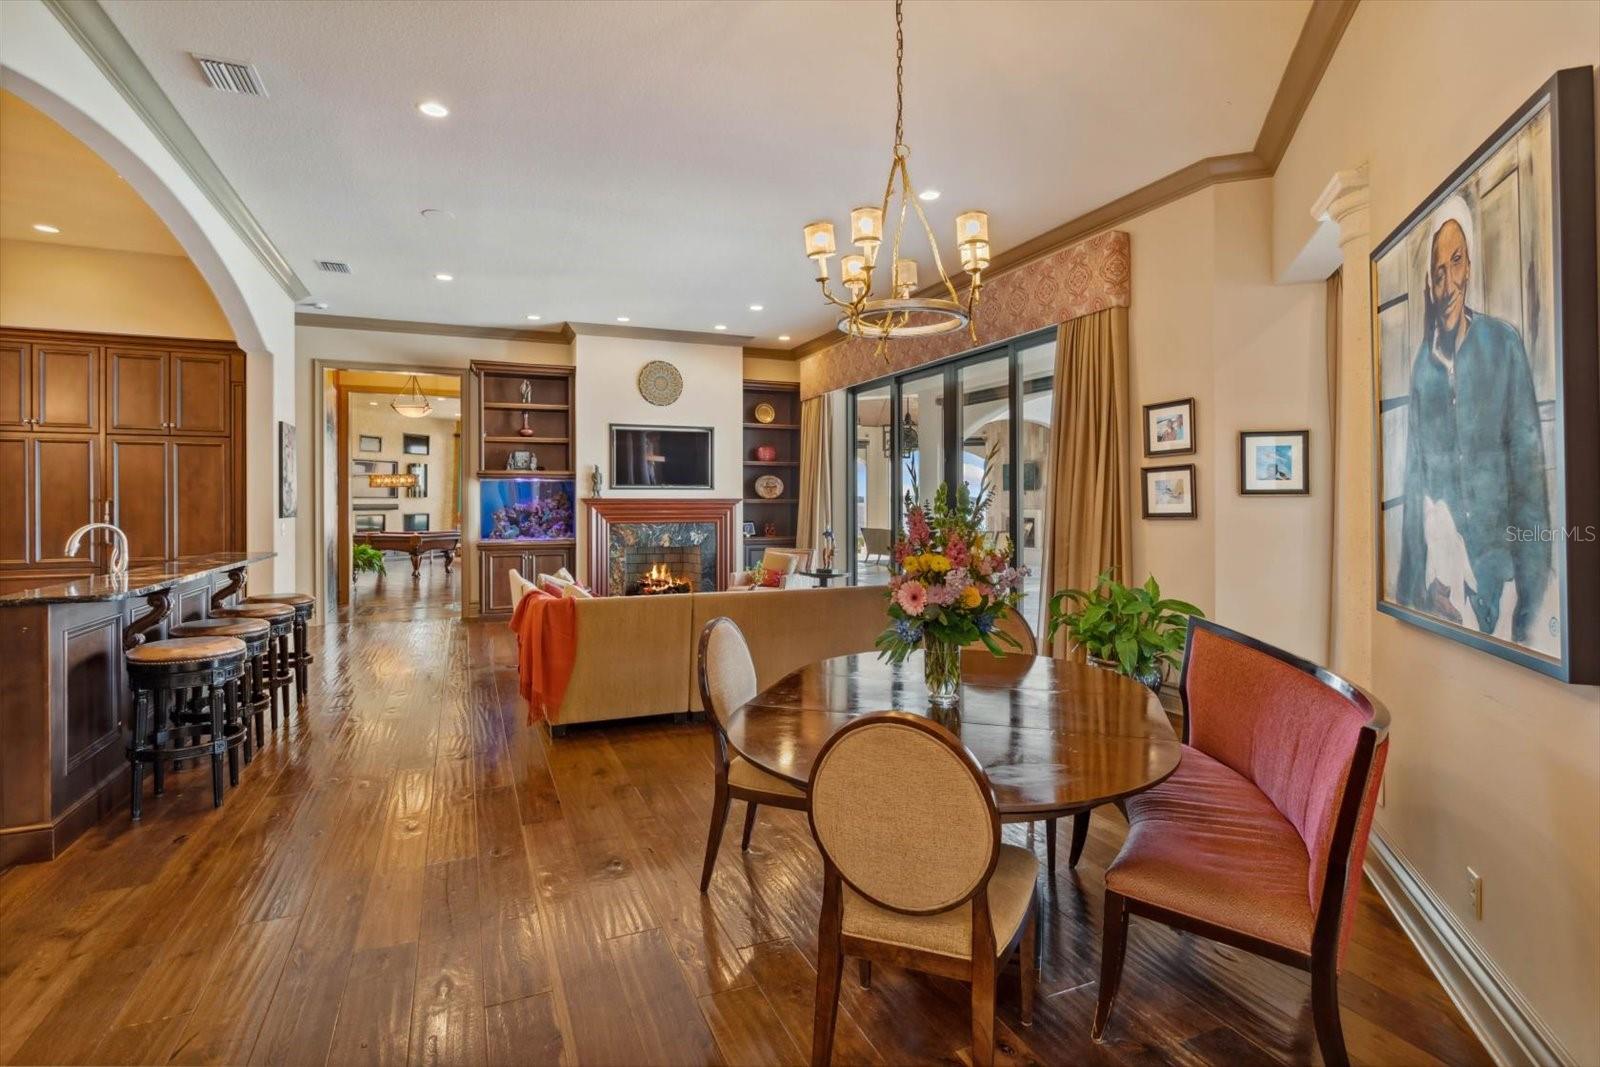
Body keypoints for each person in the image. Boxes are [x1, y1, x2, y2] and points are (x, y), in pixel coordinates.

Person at [1395, 197, 1550, 643]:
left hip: (1504, 581)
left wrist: (1530, 604)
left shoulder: (1503, 344)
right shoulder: (1423, 369)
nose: (1448, 284)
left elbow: (1529, 479)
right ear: (1430, 284)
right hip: (1446, 586)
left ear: (1470, 267)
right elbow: (1414, 484)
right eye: (1437, 272)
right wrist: (1413, 592)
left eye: (1456, 262)